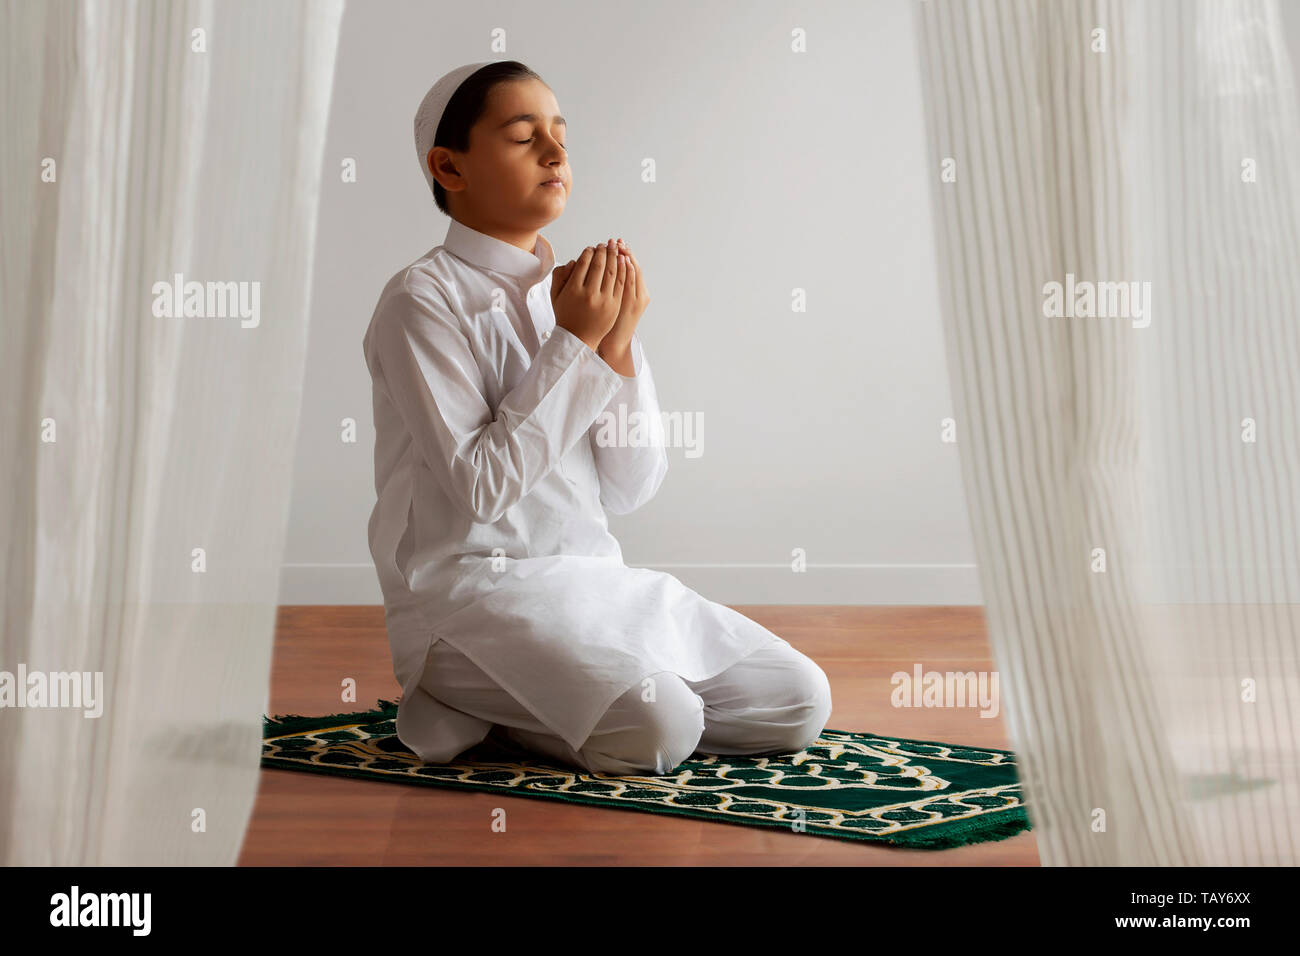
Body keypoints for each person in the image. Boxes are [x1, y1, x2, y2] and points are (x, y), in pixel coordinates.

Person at [362, 59, 832, 776]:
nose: (555, 153)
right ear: (449, 167)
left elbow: (631, 487)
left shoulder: (575, 295)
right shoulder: (420, 301)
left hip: (593, 584)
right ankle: (486, 711)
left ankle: (560, 710)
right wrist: (576, 343)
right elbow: (482, 488)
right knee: (663, 727)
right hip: (467, 603)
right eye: (524, 137)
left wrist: (614, 347)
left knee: (798, 699)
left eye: (560, 134)